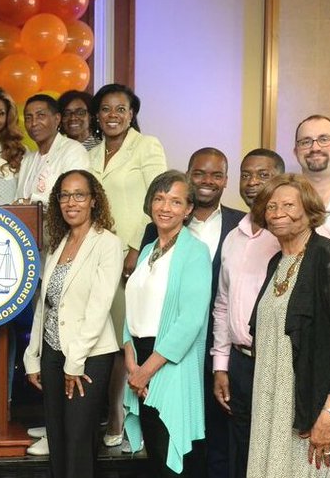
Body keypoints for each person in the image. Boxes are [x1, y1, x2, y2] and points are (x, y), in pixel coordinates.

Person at [246, 174, 330, 477]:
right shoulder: (277, 263)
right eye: (271, 206)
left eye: (288, 205)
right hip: (280, 402)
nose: (278, 213)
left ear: (310, 211)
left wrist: (329, 414)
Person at [137, 148, 245, 477]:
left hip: (223, 347)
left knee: (218, 432)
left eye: (216, 174)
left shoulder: (242, 224)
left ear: (226, 180)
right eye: (199, 173)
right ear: (188, 175)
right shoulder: (153, 234)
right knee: (170, 437)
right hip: (169, 350)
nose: (207, 180)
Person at [210, 149, 307, 478]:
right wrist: (221, 365)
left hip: (282, 363)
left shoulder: (297, 234)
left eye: (263, 175)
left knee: (280, 452)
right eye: (246, 175)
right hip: (240, 362)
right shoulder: (233, 238)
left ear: (281, 180)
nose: (252, 182)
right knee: (242, 449)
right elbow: (223, 305)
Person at [22, 170, 123, 478]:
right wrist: (32, 355)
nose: (71, 202)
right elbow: (45, 304)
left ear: (94, 200)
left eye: (79, 195)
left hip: (89, 356)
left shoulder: (107, 244)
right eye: (64, 195)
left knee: (78, 439)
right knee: (58, 436)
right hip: (53, 352)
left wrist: (75, 362)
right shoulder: (58, 243)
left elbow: (98, 308)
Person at [87, 83, 167, 448]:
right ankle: (101, 414)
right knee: (97, 336)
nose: (113, 115)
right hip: (95, 255)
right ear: (97, 115)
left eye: (121, 109)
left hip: (132, 255)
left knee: (123, 338)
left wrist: (135, 247)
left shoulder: (146, 146)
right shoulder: (90, 154)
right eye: (106, 109)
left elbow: (157, 198)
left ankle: (121, 415)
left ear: (131, 114)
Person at [121, 170, 210, 477]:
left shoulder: (195, 252)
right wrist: (131, 360)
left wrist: (146, 371)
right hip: (139, 359)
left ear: (188, 209)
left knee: (170, 454)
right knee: (155, 457)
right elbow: (132, 307)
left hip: (169, 363)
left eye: (175, 201)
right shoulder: (148, 250)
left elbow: (191, 321)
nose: (165, 207)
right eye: (159, 198)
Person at [15, 94, 89, 205]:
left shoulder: (73, 150)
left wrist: (31, 203)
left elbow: (76, 198)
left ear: (57, 119)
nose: (34, 123)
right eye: (28, 118)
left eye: (40, 116)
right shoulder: (27, 160)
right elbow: (18, 201)